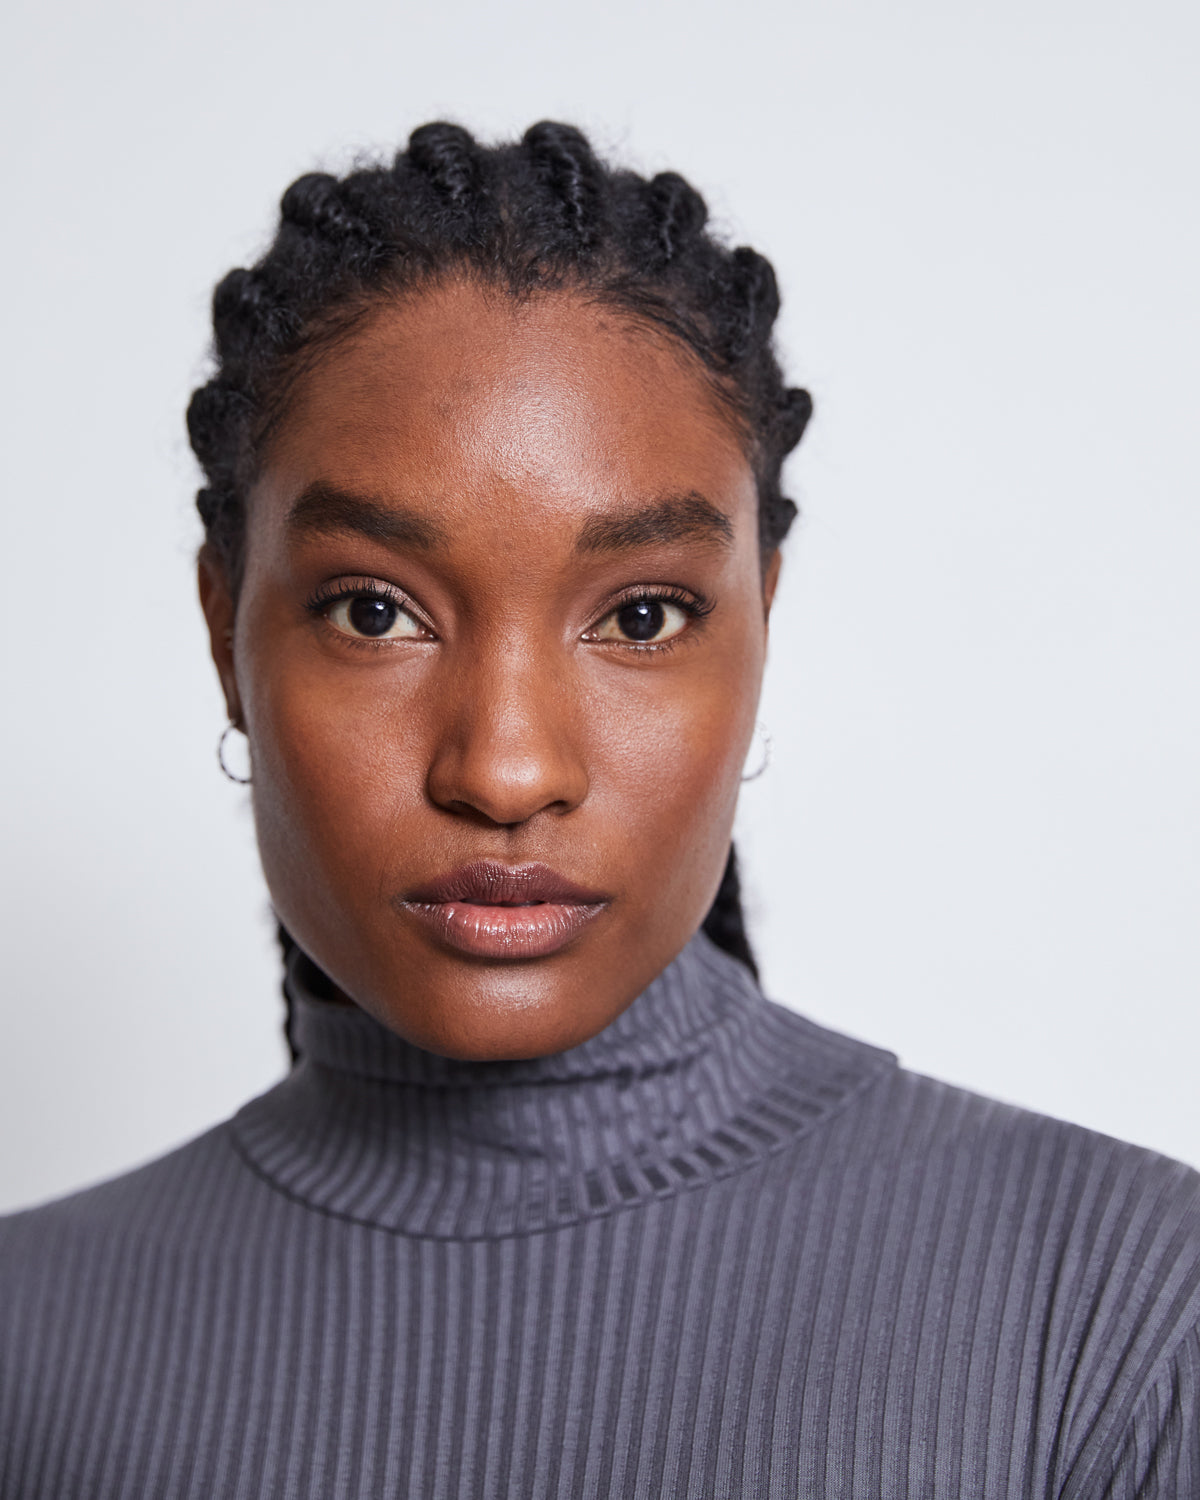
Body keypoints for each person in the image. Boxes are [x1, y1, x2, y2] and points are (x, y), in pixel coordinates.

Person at [1, 120, 1196, 1499]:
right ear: (227, 636)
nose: (506, 771)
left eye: (642, 614)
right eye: (375, 609)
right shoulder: (28, 1351)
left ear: (762, 633)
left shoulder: (1120, 1318)